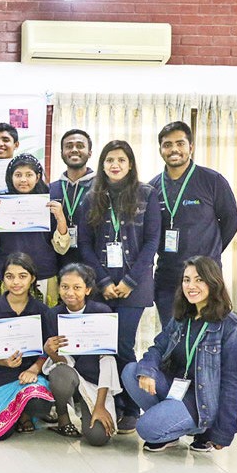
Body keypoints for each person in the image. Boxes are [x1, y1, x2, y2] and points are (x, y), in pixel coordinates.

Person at [77, 140, 161, 435]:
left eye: (121, 160)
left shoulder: (147, 195)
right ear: (102, 164)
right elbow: (84, 244)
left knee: (124, 345)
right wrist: (102, 281)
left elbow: (152, 242)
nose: (115, 164)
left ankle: (130, 407)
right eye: (109, 159)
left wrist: (128, 281)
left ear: (130, 164)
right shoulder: (92, 197)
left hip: (133, 288)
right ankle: (108, 402)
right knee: (103, 346)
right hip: (100, 286)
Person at [121, 256, 237, 453]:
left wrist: (223, 431)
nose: (191, 286)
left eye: (199, 279)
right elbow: (158, 348)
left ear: (213, 282)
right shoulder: (182, 317)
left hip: (201, 399)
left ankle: (201, 428)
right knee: (131, 371)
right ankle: (173, 425)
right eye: (187, 280)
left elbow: (234, 383)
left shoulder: (230, 326)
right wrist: (147, 371)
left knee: (145, 428)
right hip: (176, 387)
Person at [148, 121, 237, 327]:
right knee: (173, 335)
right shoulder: (152, 188)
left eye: (180, 143)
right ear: (161, 149)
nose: (174, 149)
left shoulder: (212, 180)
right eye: (167, 144)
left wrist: (210, 252)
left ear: (191, 147)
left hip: (206, 276)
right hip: (168, 277)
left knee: (208, 334)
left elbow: (231, 221)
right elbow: (149, 233)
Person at [0, 252, 54, 440]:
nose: (16, 282)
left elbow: (48, 351)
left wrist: (34, 370)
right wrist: (4, 362)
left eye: (22, 276)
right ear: (2, 279)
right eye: (10, 277)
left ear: (32, 278)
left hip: (28, 376)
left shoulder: (42, 311)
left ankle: (25, 415)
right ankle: (17, 417)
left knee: (38, 401)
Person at [42, 263, 121, 446]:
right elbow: (60, 363)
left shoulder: (102, 313)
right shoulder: (53, 315)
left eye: (76, 287)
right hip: (68, 376)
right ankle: (63, 418)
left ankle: (91, 406)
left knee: (98, 438)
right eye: (65, 287)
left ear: (88, 289)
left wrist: (100, 406)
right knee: (60, 374)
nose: (70, 293)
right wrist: (50, 352)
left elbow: (108, 361)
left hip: (95, 382)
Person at [0, 153, 70, 305]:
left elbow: (62, 248)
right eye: (18, 175)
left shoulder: (48, 205)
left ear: (37, 177)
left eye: (29, 174)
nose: (23, 179)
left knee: (44, 325)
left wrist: (61, 217)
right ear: (10, 177)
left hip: (43, 277)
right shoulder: (0, 205)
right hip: (10, 279)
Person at [49, 129, 96, 269]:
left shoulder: (102, 188)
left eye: (80, 146)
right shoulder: (50, 190)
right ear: (62, 153)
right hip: (58, 266)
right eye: (69, 146)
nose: (74, 150)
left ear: (90, 152)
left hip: (94, 268)